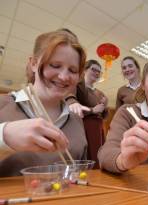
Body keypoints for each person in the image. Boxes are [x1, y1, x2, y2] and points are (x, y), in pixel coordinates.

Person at [0, 30, 88, 177]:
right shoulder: (3, 104)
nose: (64, 77)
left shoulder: (76, 119)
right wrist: (4, 136)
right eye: (55, 65)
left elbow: (81, 170)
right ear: (34, 64)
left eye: (72, 70)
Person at [67, 60, 108, 167]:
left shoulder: (100, 93)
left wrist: (104, 107)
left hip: (98, 128)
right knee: (86, 156)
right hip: (84, 126)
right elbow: (73, 108)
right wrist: (92, 110)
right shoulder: (79, 86)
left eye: (99, 71)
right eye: (93, 69)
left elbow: (104, 116)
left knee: (98, 154)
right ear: (85, 70)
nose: (96, 73)